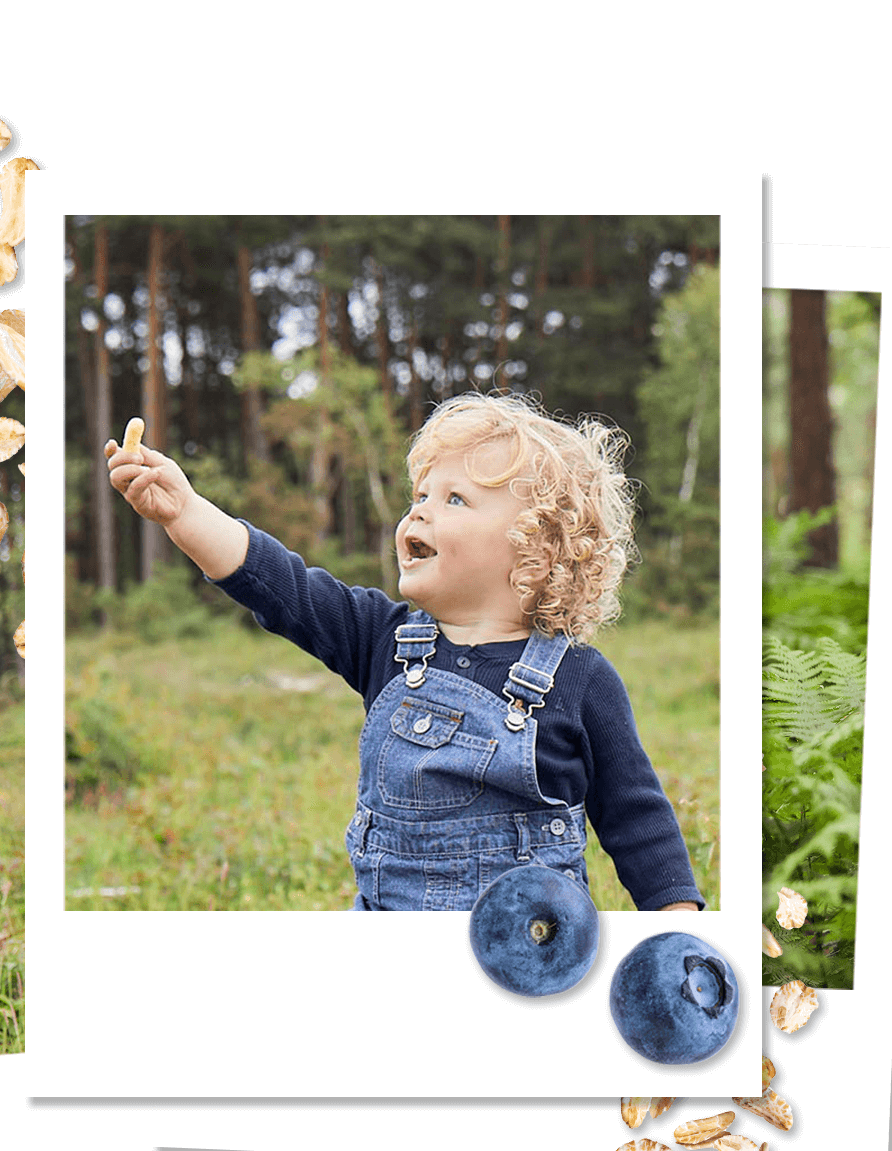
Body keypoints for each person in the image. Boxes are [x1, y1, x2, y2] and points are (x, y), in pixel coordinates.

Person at [104, 391, 705, 913]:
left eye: (455, 499)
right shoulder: (383, 640)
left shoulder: (578, 679)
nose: (418, 509)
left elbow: (637, 820)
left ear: (537, 551)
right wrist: (184, 512)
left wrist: (680, 924)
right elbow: (277, 582)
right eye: (420, 493)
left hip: (529, 957)